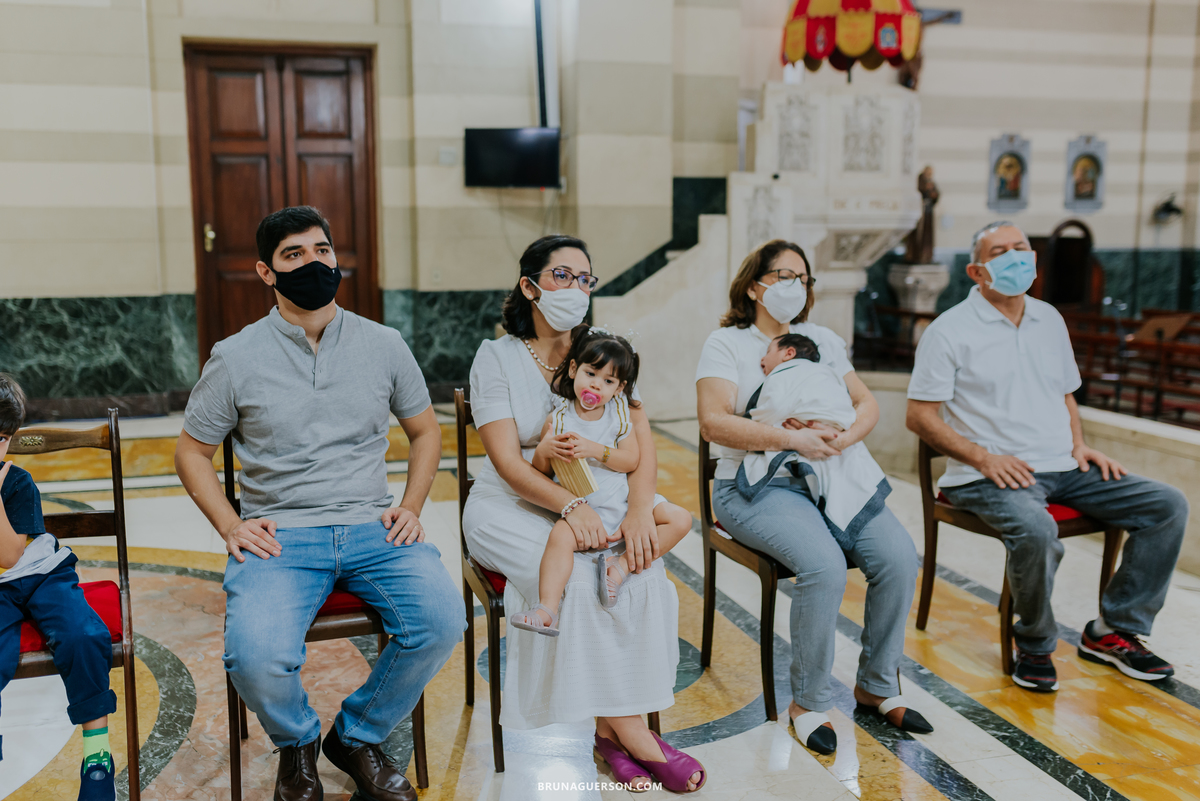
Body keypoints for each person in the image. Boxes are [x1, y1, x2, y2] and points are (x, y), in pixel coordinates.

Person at [175, 206, 463, 801]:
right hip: (282, 537)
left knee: (440, 620)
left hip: (373, 525)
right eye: (294, 255)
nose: (314, 262)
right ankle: (298, 742)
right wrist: (231, 524)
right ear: (266, 272)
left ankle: (356, 736)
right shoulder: (236, 355)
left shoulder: (383, 343)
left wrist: (411, 505)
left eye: (322, 250)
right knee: (255, 658)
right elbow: (191, 453)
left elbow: (426, 431)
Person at [463, 235, 706, 793]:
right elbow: (505, 463)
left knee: (642, 570)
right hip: (511, 504)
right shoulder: (496, 358)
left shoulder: (602, 353)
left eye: (584, 279)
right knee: (578, 580)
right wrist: (569, 506)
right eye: (562, 276)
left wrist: (642, 510)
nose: (575, 288)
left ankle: (608, 736)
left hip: (601, 495)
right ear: (530, 286)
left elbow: (636, 435)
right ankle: (637, 736)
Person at [906, 221, 1189, 692]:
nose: (1015, 256)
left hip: (1064, 466)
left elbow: (1065, 395)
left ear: (1034, 261)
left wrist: (1078, 444)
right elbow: (919, 417)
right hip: (986, 474)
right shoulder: (949, 330)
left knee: (1166, 505)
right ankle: (1035, 644)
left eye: (1022, 248)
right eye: (1001, 251)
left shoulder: (1048, 319)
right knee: (1037, 528)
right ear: (977, 271)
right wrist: (983, 458)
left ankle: (1113, 630)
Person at [696, 239, 931, 757]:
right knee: (823, 564)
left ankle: (876, 685)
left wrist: (845, 438)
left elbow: (863, 402)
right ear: (754, 285)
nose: (794, 286)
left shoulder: (820, 338)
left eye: (803, 278)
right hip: (752, 485)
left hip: (830, 474)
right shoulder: (728, 343)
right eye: (783, 275)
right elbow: (714, 421)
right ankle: (809, 702)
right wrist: (791, 438)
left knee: (896, 555)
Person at [511, 326, 692, 635]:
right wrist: (543, 450)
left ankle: (619, 566)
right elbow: (541, 470)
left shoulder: (620, 418)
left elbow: (631, 460)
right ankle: (547, 608)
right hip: (585, 506)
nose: (596, 385)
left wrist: (595, 449)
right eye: (591, 374)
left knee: (681, 519)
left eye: (608, 381)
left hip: (620, 499)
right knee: (559, 537)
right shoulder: (559, 418)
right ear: (573, 370)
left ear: (619, 388)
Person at [0, 374, 118, 801]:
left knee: (83, 635)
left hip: (42, 576)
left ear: (9, 439)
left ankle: (97, 756)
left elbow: (12, 556)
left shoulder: (16, 483)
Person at [736, 334, 890, 545]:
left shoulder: (798, 372)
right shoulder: (825, 373)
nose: (762, 360)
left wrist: (839, 438)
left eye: (767, 353)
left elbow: (769, 410)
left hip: (835, 440)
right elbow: (845, 408)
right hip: (834, 427)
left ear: (789, 353)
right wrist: (833, 428)